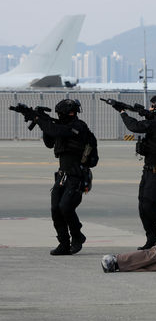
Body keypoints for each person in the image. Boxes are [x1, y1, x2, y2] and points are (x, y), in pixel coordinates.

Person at [113, 95, 156, 250]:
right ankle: (151, 238)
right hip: (149, 171)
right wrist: (140, 110)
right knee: (143, 206)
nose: (150, 109)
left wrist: (122, 112)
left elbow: (135, 126)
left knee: (149, 206)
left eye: (152, 107)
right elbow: (149, 116)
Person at [34, 100, 93, 255]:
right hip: (62, 175)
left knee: (66, 207)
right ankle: (64, 243)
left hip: (76, 175)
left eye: (73, 112)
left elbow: (58, 131)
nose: (72, 115)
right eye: (69, 113)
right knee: (55, 209)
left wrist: (41, 120)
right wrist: (43, 123)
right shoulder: (59, 128)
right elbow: (49, 142)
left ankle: (77, 236)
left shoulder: (78, 126)